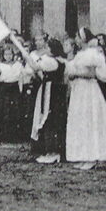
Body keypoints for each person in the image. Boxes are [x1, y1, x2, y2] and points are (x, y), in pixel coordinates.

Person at [64, 28, 106, 170]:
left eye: (78, 37)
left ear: (83, 39)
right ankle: (82, 156)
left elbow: (96, 74)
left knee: (89, 121)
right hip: (78, 90)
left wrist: (77, 74)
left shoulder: (93, 54)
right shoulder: (79, 54)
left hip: (88, 90)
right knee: (80, 122)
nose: (76, 39)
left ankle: (92, 157)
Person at [12, 34, 68, 164]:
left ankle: (53, 152)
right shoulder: (61, 61)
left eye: (48, 48)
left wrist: (25, 54)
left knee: (49, 119)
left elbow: (35, 67)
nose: (46, 50)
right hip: (57, 91)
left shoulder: (51, 61)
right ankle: (54, 151)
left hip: (51, 91)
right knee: (54, 119)